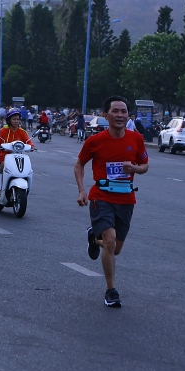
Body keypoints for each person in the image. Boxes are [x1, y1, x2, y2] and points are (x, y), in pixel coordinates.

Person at [74, 96, 149, 308]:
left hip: (126, 199)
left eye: (123, 111)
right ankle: (111, 290)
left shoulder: (136, 139)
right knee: (109, 241)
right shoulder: (95, 141)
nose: (120, 115)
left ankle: (93, 236)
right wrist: (82, 190)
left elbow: (145, 165)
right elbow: (79, 164)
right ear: (106, 115)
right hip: (102, 197)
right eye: (115, 111)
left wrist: (135, 169)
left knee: (115, 249)